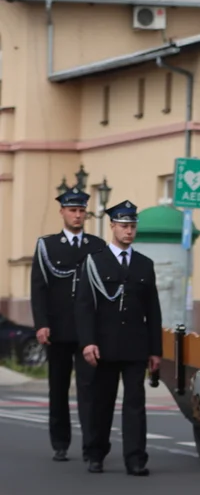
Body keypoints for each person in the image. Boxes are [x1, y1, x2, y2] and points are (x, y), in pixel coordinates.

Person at [75, 200, 162, 476]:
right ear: (112, 226)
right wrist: (88, 342)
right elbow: (84, 306)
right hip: (104, 345)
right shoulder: (95, 262)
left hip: (136, 346)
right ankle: (95, 453)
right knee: (102, 402)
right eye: (124, 226)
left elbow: (153, 311)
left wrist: (155, 349)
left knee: (135, 404)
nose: (129, 231)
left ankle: (136, 458)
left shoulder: (144, 265)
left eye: (133, 226)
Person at [29, 188, 107, 462]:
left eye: (81, 210)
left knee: (90, 390)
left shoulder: (97, 246)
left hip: (88, 332)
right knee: (58, 388)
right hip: (59, 330)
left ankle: (91, 446)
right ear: (62, 212)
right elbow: (39, 289)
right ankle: (60, 442)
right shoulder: (47, 246)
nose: (77, 215)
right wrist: (41, 324)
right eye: (72, 210)